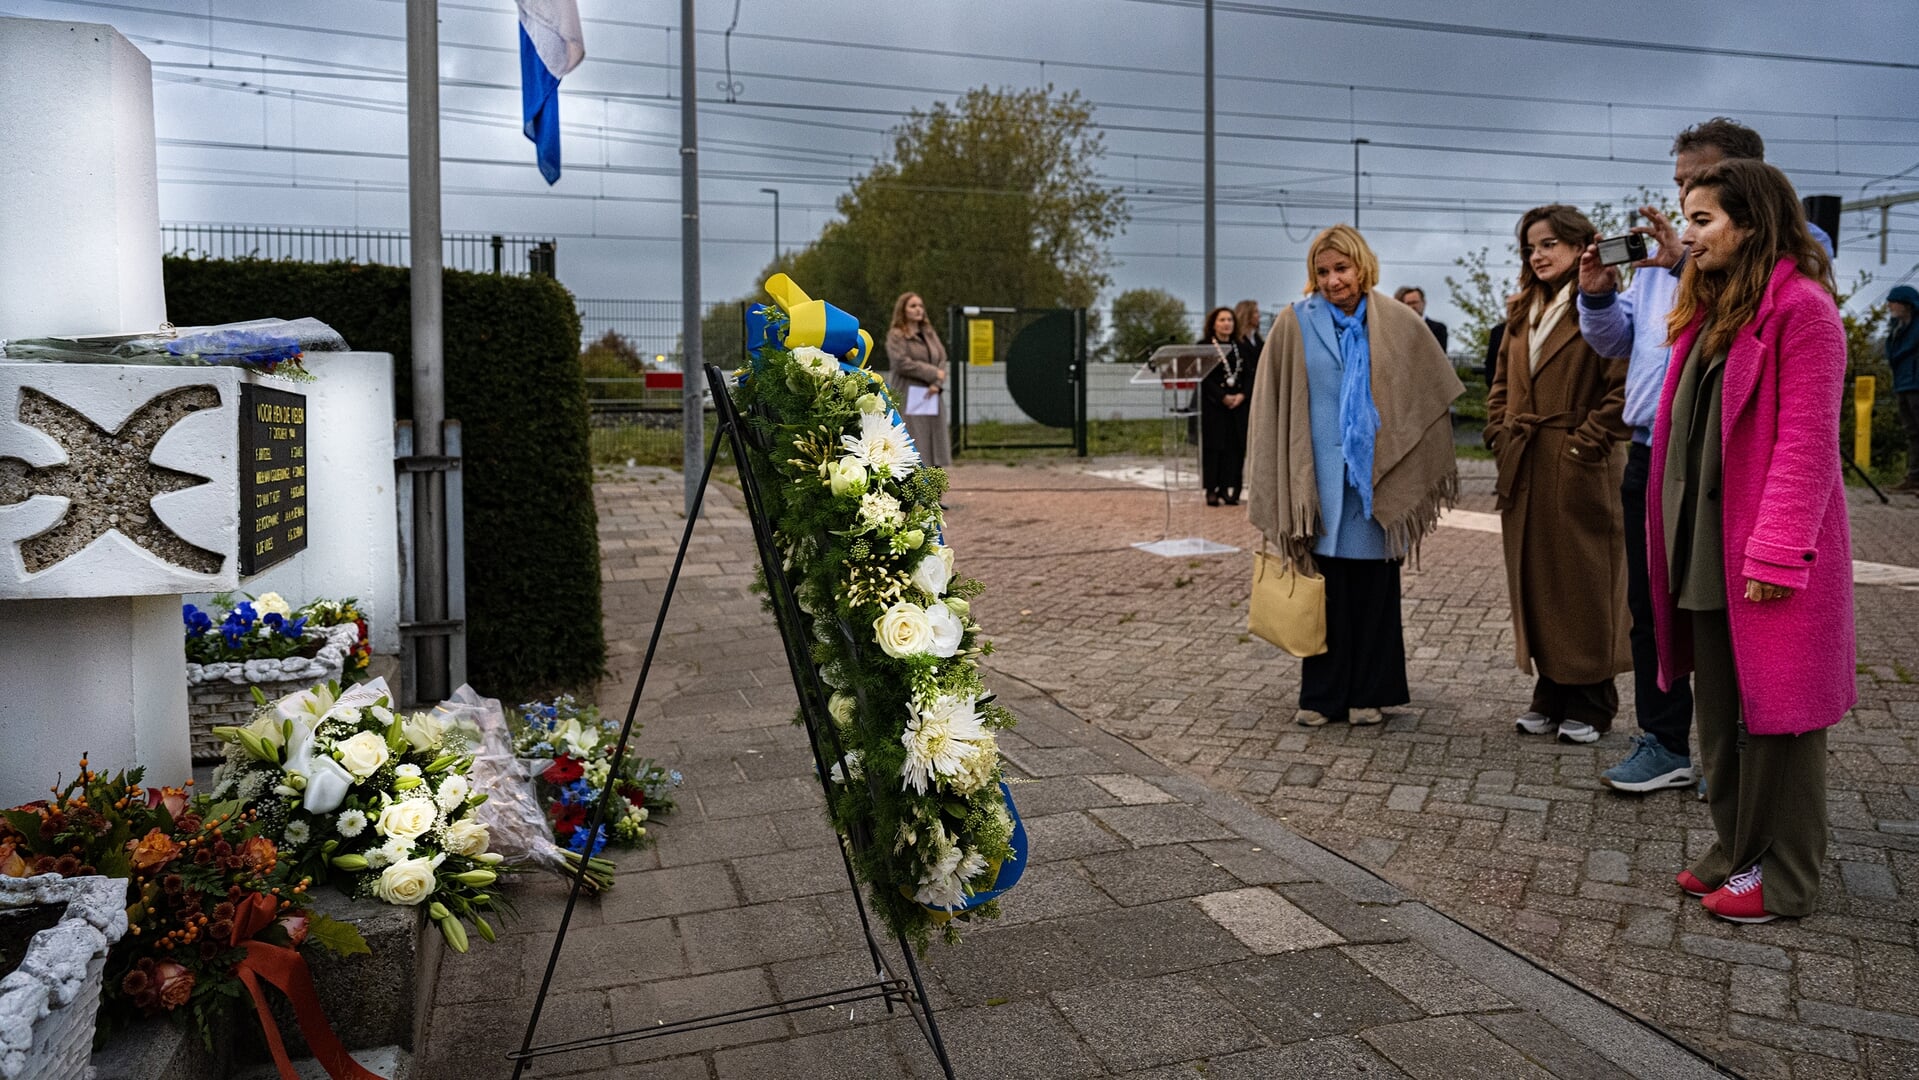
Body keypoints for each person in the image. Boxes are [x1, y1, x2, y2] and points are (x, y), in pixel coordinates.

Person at [1648, 158, 1854, 923]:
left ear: (1750, 222)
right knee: (1720, 711)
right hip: (1706, 544)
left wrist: (1776, 552)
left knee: (1782, 718)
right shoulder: (1712, 309)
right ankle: (1735, 847)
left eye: (1701, 220)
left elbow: (1806, 444)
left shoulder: (1803, 310)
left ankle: (1785, 874)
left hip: (1762, 549)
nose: (1688, 235)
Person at [1577, 117, 1772, 793]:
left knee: (1722, 604)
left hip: (1719, 459)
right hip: (1647, 452)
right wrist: (1597, 293)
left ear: (1744, 180)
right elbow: (1616, 342)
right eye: (1679, 181)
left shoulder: (1766, 249)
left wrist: (1684, 263)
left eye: (1698, 180)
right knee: (1651, 604)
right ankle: (1664, 743)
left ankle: (1741, 745)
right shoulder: (1667, 256)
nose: (1683, 195)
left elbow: (1747, 321)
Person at [1247, 225, 1463, 727]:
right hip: (1317, 482)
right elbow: (1270, 401)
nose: (1332, 281)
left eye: (1341, 268)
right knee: (1324, 590)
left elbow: (1428, 393)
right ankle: (1322, 696)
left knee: (1373, 590)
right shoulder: (1295, 321)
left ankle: (1370, 693)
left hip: (1376, 479)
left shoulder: (1398, 321)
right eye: (1322, 271)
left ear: (1362, 267)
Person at [1486, 206, 1631, 745]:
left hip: (1579, 461)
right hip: (1526, 460)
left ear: (1580, 245)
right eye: (1530, 247)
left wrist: (1585, 444)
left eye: (1549, 244)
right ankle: (1550, 690)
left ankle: (1592, 700)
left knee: (1586, 580)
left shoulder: (1604, 307)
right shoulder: (1524, 309)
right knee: (1537, 578)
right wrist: (1499, 434)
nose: (1538, 255)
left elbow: (1625, 387)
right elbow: (1501, 384)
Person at [884, 292, 951, 468]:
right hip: (908, 394)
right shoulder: (896, 335)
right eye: (913, 306)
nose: (918, 309)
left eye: (920, 306)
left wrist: (937, 383)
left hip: (931, 394)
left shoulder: (929, 333)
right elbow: (901, 363)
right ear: (903, 310)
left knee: (934, 441)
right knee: (915, 440)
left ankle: (934, 479)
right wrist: (933, 373)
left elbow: (942, 359)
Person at [1198, 306, 1257, 506]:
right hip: (1215, 406)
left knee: (1234, 448)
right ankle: (1211, 489)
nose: (1226, 324)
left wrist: (1243, 394)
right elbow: (1204, 377)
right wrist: (1222, 396)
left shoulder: (1241, 346)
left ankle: (1228, 488)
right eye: (1222, 320)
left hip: (1238, 405)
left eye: (1230, 320)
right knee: (1214, 447)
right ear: (1213, 324)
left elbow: (1250, 374)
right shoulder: (1205, 346)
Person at [1885, 285, 1919, 493]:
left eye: (1893, 302)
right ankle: (1914, 477)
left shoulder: (1914, 328)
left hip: (1915, 383)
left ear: (1906, 304)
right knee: (1912, 432)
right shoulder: (1897, 328)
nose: (1889, 306)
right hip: (1904, 383)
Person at [1394, 286, 1449, 352]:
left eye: (1414, 302)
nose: (1412, 306)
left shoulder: (1438, 328)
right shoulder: (1399, 330)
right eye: (1408, 304)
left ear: (1423, 303)